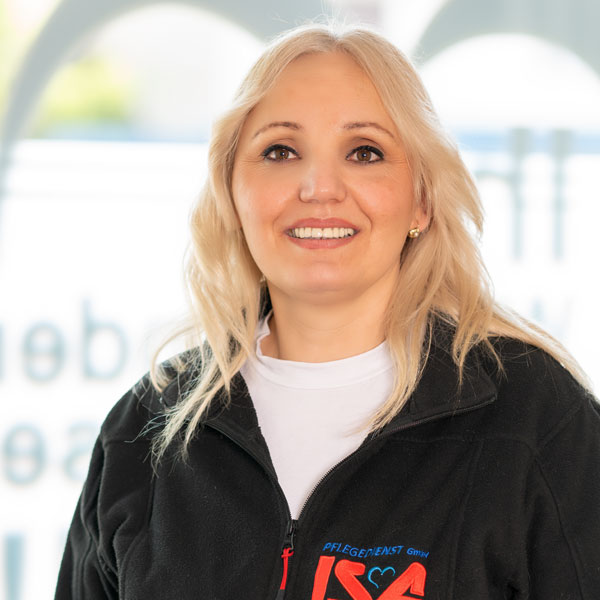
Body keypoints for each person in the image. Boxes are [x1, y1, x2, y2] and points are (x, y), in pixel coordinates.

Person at [55, 22, 600, 599]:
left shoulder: (536, 421)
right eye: (280, 151)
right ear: (232, 193)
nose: (319, 187)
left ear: (421, 199)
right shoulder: (142, 433)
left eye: (365, 152)